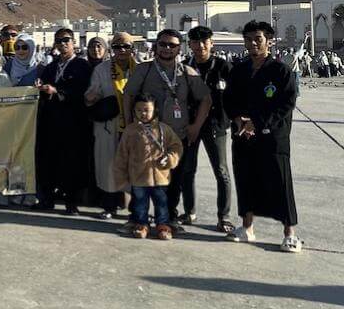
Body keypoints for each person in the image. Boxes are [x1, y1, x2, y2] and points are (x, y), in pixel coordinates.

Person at [122, 29, 211, 231]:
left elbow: (206, 99)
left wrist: (196, 126)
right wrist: (129, 125)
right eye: (163, 44)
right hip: (146, 138)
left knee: (174, 181)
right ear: (156, 46)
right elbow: (128, 95)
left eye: (172, 45)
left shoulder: (188, 73)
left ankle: (168, 219)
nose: (167, 48)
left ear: (180, 48)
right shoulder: (144, 70)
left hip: (177, 138)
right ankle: (138, 219)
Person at [225, 20, 301, 252]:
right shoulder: (239, 70)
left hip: (272, 137)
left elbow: (286, 103)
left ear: (269, 41)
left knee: (280, 182)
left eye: (257, 39)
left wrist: (257, 123)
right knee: (246, 179)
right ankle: (247, 227)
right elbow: (228, 98)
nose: (252, 43)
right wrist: (238, 119)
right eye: (248, 39)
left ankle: (290, 233)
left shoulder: (281, 71)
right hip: (243, 136)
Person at [34, 29, 92, 214]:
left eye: (66, 40)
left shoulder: (82, 66)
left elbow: (82, 91)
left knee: (72, 163)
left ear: (74, 42)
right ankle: (47, 199)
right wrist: (41, 88)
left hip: (73, 123)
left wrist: (58, 92)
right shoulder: (51, 67)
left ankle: (71, 202)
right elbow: (44, 88)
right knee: (49, 161)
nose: (63, 44)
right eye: (59, 41)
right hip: (51, 123)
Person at [185, 26, 235, 233]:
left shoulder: (224, 67)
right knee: (187, 171)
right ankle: (189, 211)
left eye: (205, 41)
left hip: (215, 126)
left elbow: (236, 96)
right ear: (190, 45)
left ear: (212, 43)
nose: (200, 46)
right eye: (195, 42)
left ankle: (224, 217)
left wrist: (232, 120)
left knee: (221, 171)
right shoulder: (183, 67)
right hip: (189, 126)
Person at [113, 93, 183, 240]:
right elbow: (121, 155)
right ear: (134, 111)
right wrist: (121, 178)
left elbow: (176, 146)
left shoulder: (164, 129)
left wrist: (170, 159)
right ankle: (141, 224)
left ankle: (163, 225)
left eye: (147, 110)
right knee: (140, 204)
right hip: (139, 178)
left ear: (155, 110)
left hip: (160, 177)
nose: (143, 114)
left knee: (162, 204)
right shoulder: (130, 131)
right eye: (139, 110)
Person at [84, 31, 136, 219]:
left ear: (132, 48)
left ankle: (135, 209)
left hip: (133, 125)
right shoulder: (102, 69)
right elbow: (90, 94)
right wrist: (91, 98)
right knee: (108, 166)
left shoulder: (139, 69)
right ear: (112, 49)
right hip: (109, 124)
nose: (121, 50)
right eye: (117, 47)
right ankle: (109, 206)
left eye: (126, 46)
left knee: (133, 167)